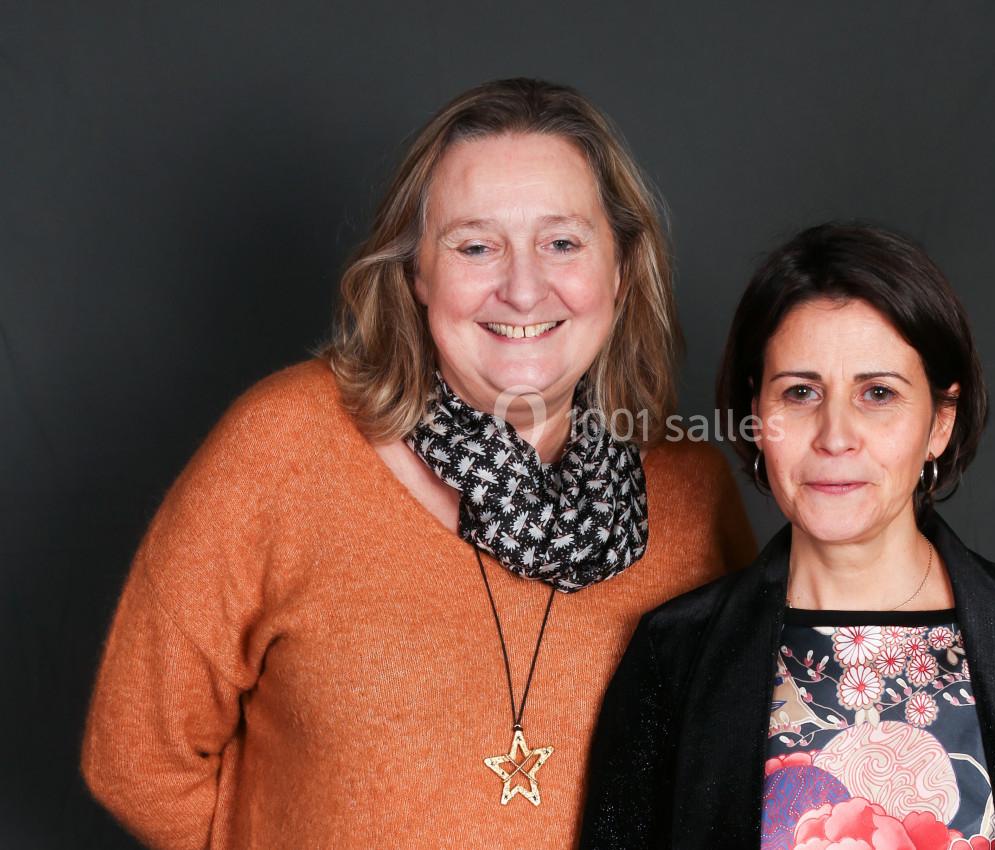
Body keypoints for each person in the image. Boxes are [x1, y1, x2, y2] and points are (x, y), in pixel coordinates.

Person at [81, 78, 756, 849]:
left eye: (562, 243)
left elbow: (742, 769)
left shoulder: (691, 491)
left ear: (622, 269)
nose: (523, 288)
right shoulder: (284, 446)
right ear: (416, 274)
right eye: (476, 246)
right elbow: (136, 758)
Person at [579, 222, 995, 849]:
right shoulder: (673, 656)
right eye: (800, 392)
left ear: (941, 422)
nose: (835, 436)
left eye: (878, 393)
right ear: (756, 416)